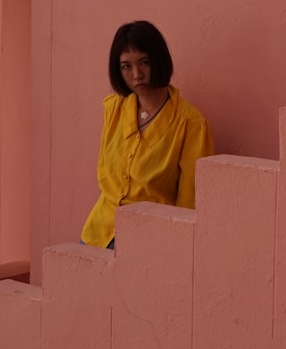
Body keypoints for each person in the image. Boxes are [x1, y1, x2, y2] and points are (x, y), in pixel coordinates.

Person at [80, 20, 214, 248]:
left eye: (144, 62)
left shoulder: (190, 124)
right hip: (98, 234)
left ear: (158, 61)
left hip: (149, 241)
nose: (137, 74)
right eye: (126, 66)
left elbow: (189, 203)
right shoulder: (113, 110)